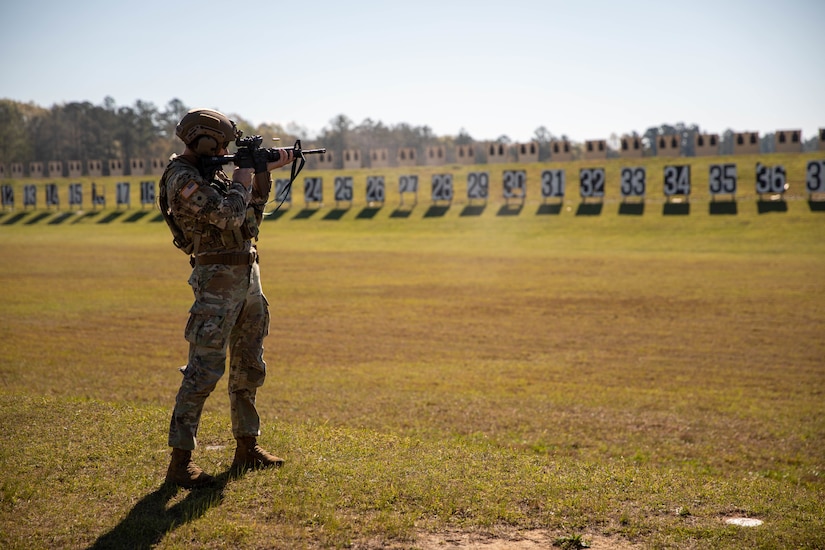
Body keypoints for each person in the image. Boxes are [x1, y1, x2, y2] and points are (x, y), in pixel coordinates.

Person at [160, 108, 294, 488]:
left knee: (249, 363)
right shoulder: (182, 179)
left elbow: (249, 221)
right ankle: (181, 461)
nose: (224, 150)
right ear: (203, 141)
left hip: (246, 274)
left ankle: (247, 446)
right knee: (203, 370)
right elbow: (227, 215)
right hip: (216, 279)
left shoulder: (213, 175)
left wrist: (261, 175)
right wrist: (244, 176)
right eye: (220, 144)